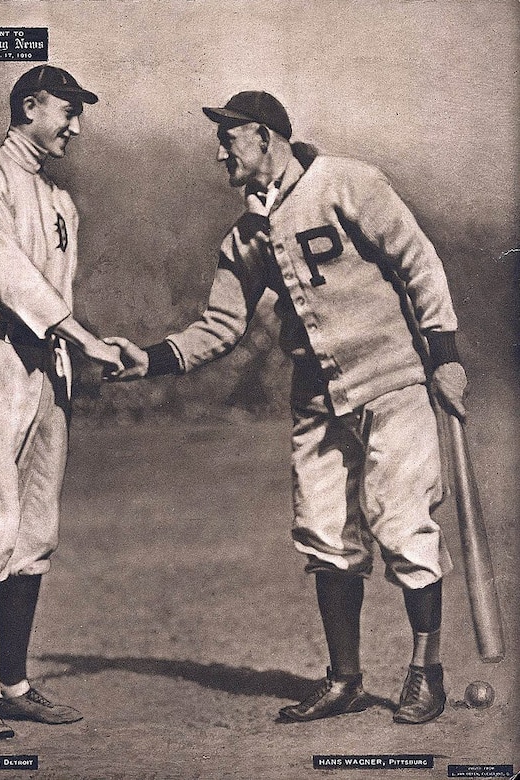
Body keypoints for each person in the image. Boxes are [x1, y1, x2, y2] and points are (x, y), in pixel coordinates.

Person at [104, 90, 468, 725]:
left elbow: (419, 262)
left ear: (265, 137)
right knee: (324, 534)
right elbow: (220, 325)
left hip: (392, 382)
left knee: (404, 524)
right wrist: (150, 358)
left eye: (230, 138)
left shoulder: (347, 182)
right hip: (318, 400)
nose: (221, 152)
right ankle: (344, 679)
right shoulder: (245, 237)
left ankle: (424, 670)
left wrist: (445, 354)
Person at [0, 65, 121, 742]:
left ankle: (10, 684)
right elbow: (8, 276)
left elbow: (53, 295)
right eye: (66, 111)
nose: (74, 125)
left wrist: (83, 351)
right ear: (29, 106)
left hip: (43, 366)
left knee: (34, 531)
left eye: (78, 113)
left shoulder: (61, 201)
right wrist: (82, 336)